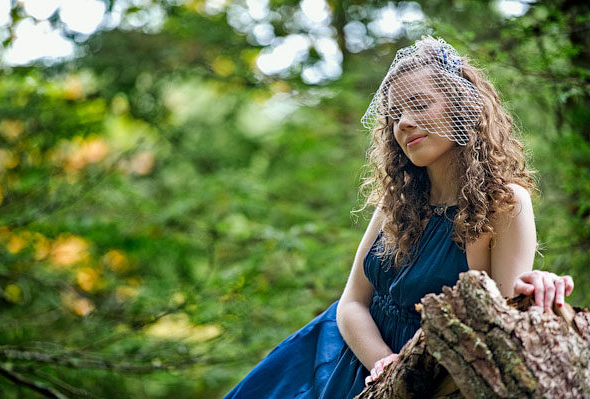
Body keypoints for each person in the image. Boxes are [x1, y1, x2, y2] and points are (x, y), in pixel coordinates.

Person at [223, 36, 574, 399]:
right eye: (394, 114)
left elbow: (503, 325)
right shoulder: (398, 200)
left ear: (462, 107)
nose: (403, 123)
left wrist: (540, 286)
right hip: (345, 356)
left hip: (431, 383)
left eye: (419, 104)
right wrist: (384, 364)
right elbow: (352, 302)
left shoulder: (504, 203)